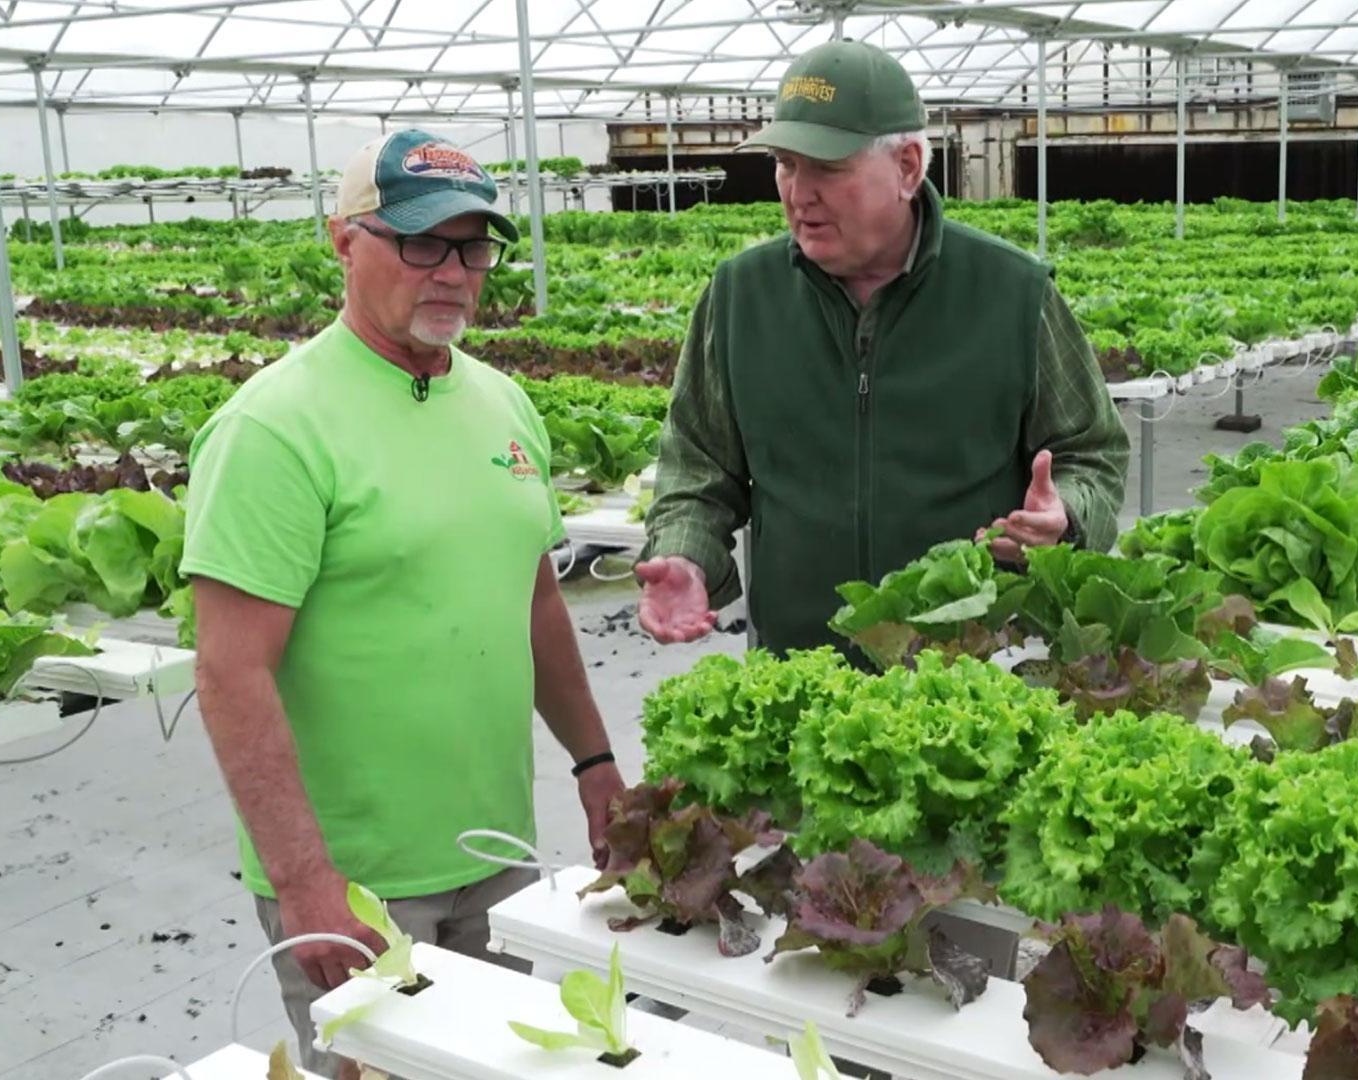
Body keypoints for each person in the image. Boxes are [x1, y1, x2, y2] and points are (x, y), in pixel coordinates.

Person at [182, 129, 626, 1079]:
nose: (454, 273)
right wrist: (306, 885)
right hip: (360, 887)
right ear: (344, 241)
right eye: (421, 242)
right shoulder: (274, 427)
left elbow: (534, 598)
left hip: (497, 854)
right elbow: (229, 671)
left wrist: (594, 763)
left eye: (474, 246)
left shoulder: (506, 404)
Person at [634, 41, 1131, 654]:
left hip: (976, 674)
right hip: (802, 672)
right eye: (786, 164)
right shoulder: (741, 296)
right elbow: (699, 466)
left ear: (907, 167)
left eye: (827, 167)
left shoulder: (1012, 294)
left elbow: (1092, 453)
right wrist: (684, 555)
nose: (798, 192)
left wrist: (1068, 518)